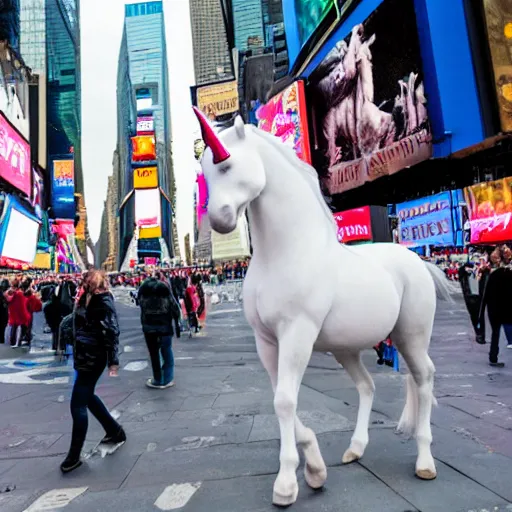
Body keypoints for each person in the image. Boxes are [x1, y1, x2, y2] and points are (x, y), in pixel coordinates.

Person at [60, 270, 125, 473]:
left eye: (86, 282)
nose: (83, 284)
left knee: (77, 404)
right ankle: (114, 430)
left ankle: (73, 455)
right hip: (83, 356)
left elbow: (112, 332)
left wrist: (113, 361)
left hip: (93, 358)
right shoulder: (86, 298)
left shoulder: (103, 302)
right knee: (87, 396)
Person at [137, 273, 178, 389]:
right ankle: (168, 378)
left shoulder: (143, 290)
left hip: (149, 328)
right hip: (164, 327)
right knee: (167, 352)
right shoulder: (164, 289)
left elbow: (139, 303)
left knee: (154, 354)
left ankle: (158, 379)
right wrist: (177, 325)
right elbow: (174, 307)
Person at [482, 245, 512, 368]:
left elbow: (485, 294)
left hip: (493, 310)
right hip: (508, 309)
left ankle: (493, 357)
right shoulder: (510, 275)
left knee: (495, 333)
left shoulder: (492, 275)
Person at [458, 262, 486, 345]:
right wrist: (467, 267)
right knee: (474, 317)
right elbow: (461, 271)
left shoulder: (479, 272)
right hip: (469, 297)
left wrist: (479, 269)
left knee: (480, 316)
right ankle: (478, 333)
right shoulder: (464, 275)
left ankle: (481, 335)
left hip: (479, 297)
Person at [5, 278, 29, 348]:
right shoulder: (18, 293)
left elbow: (8, 299)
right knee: (20, 327)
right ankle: (17, 342)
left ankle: (13, 342)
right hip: (19, 313)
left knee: (14, 327)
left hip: (13, 313)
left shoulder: (12, 292)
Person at [20, 279, 43, 347]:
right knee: (28, 326)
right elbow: (37, 305)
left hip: (22, 312)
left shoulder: (20, 294)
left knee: (22, 326)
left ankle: (22, 337)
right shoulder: (31, 296)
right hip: (28, 313)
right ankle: (27, 338)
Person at [0, 279, 9, 343]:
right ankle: (2, 340)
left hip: (3, 312)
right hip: (4, 313)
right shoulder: (6, 293)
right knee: (2, 327)